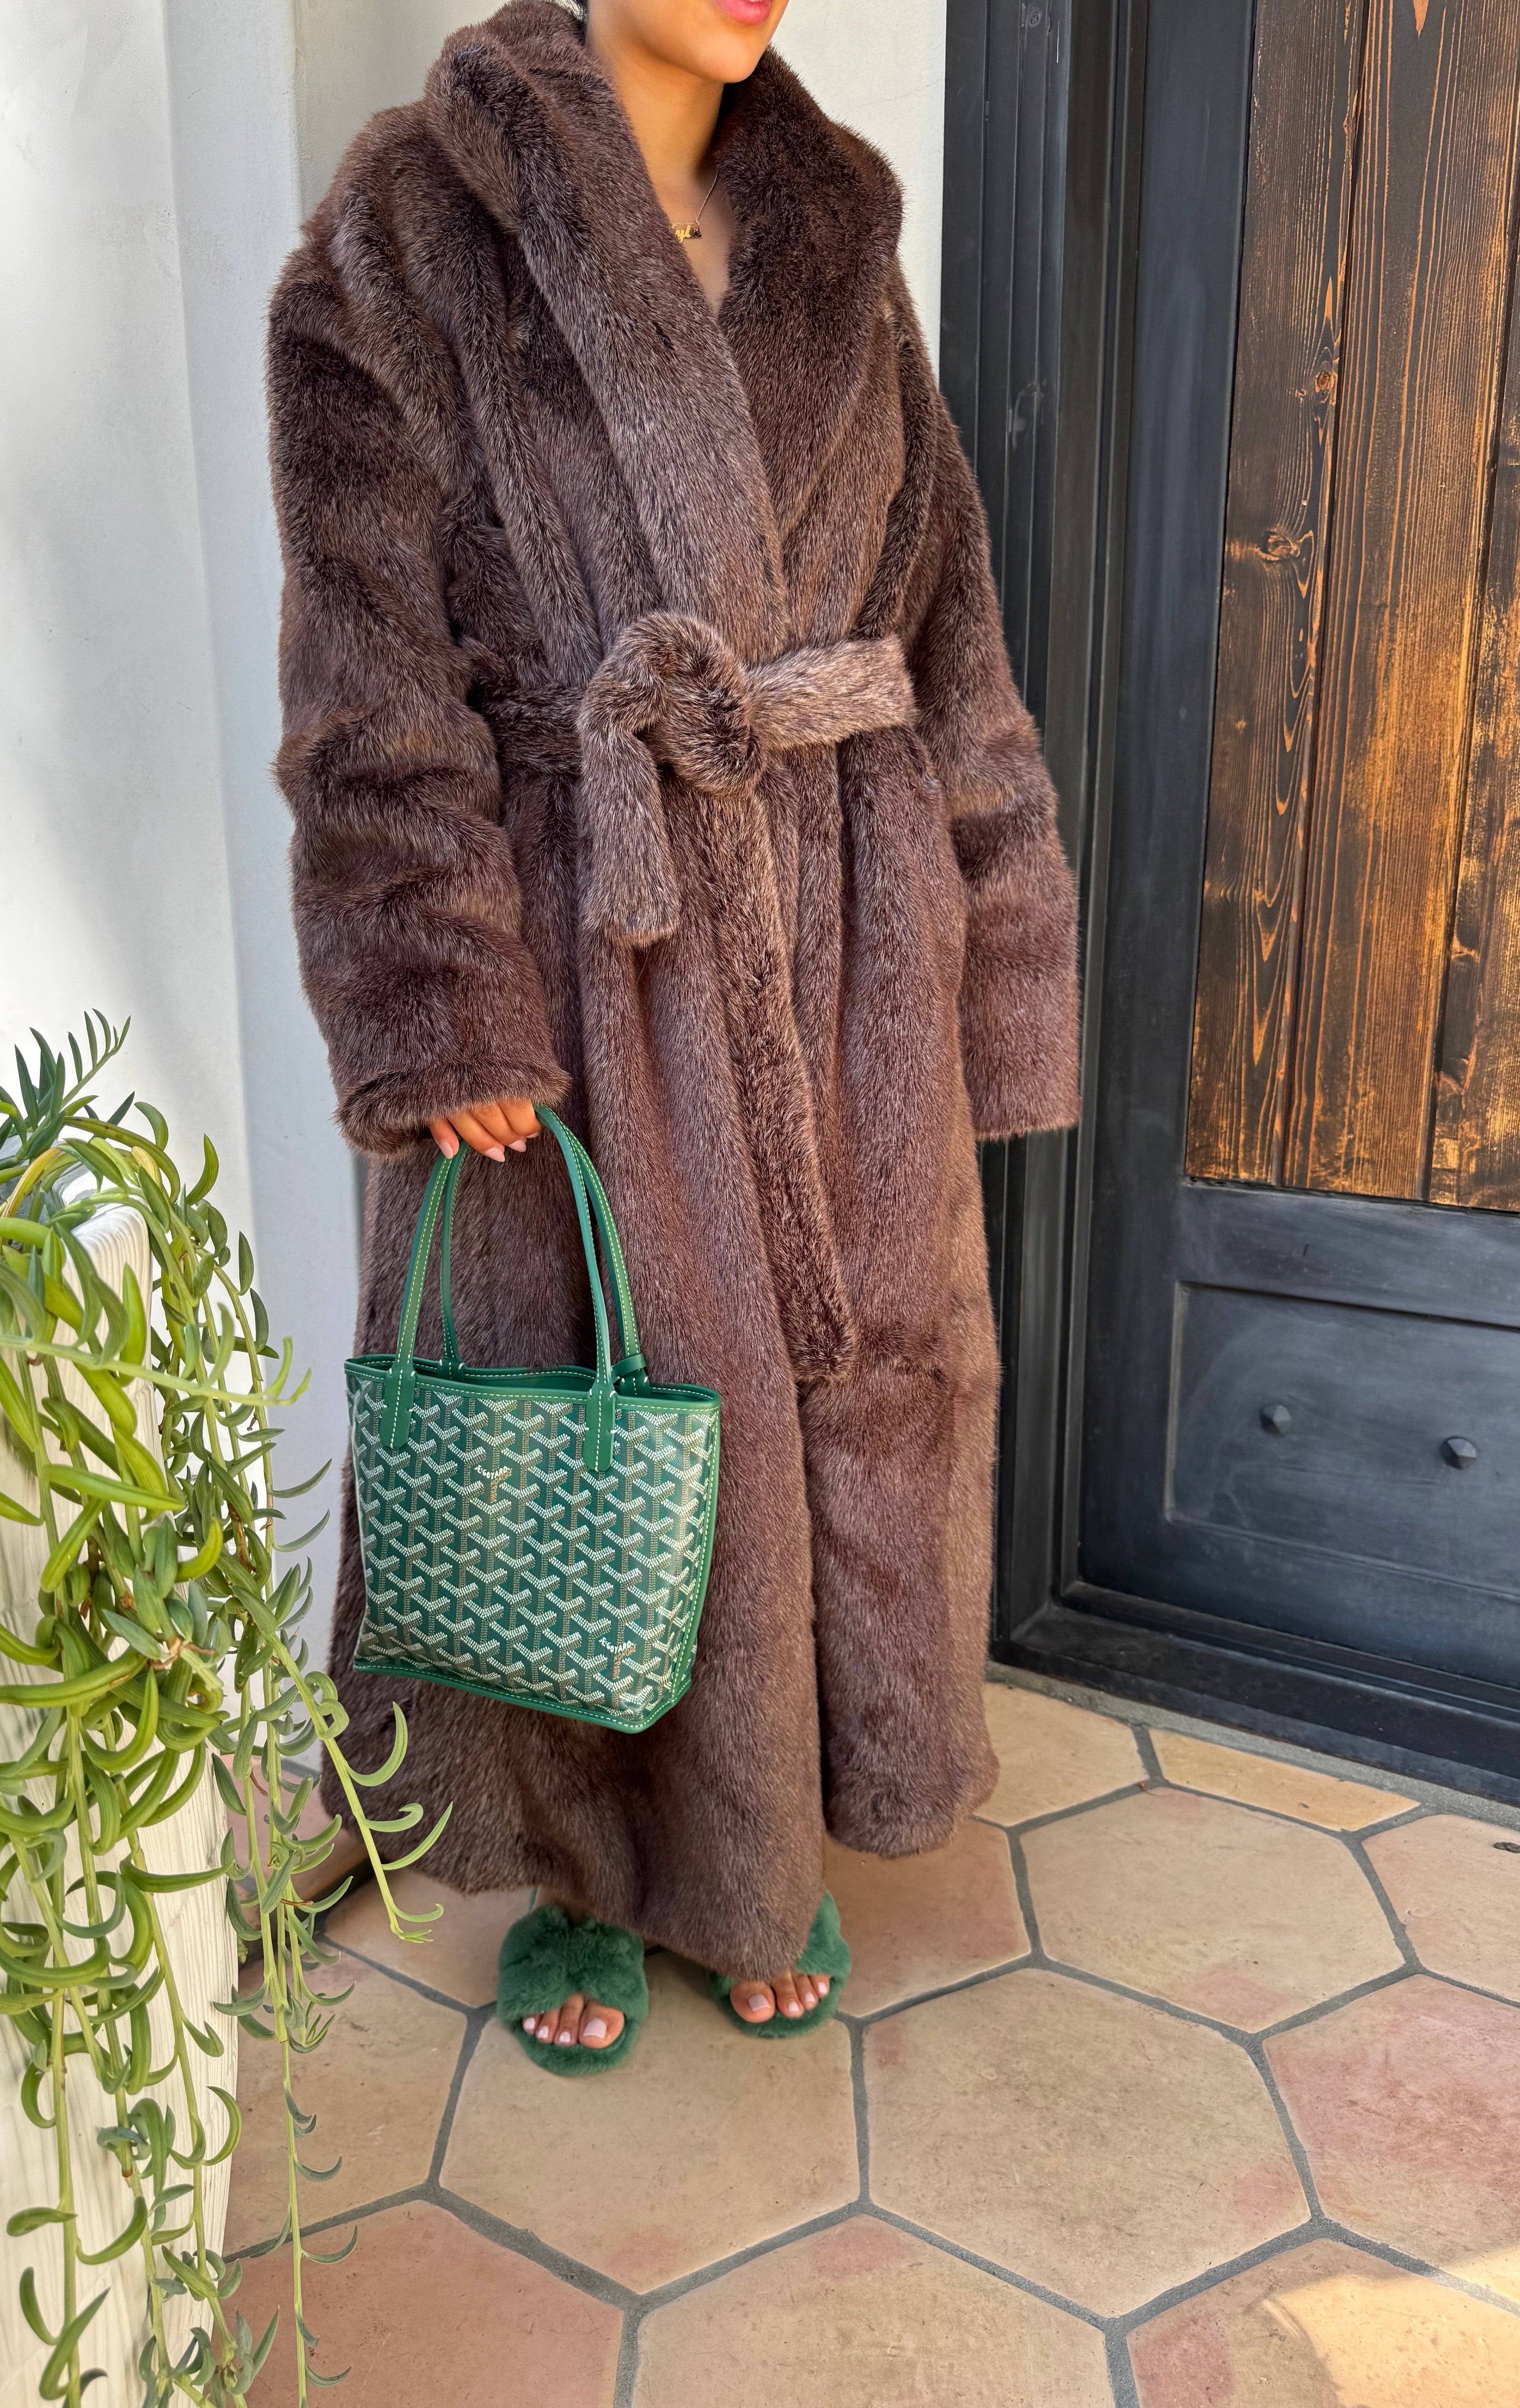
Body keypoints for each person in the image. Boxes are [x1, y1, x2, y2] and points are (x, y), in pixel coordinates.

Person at [267, 0, 1079, 2069]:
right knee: (596, 1403)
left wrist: (991, 939)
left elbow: (949, 620)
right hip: (579, 932)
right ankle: (586, 1870)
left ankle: (759, 1841)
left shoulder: (833, 222)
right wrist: (437, 992)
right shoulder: (407, 226)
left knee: (835, 1390)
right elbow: (366, 674)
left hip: (844, 917)